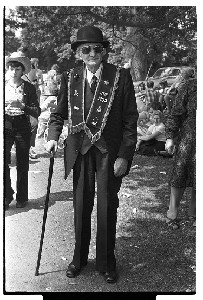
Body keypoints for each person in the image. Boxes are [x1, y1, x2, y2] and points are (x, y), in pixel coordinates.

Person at [45, 25, 138, 283]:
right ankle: (79, 259)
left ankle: (107, 263)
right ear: (79, 53)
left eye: (97, 49)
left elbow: (131, 119)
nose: (92, 53)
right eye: (86, 49)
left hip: (109, 153)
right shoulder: (71, 77)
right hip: (81, 153)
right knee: (81, 206)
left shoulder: (120, 76)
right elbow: (58, 113)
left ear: (104, 51)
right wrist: (53, 138)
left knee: (107, 207)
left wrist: (125, 155)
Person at [5, 52, 41, 210]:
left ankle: (22, 197)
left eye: (17, 68)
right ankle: (6, 195)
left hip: (22, 125)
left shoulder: (29, 88)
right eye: (11, 67)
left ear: (22, 70)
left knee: (22, 163)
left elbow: (37, 111)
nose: (13, 71)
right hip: (5, 125)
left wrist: (23, 107)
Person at [165, 71, 196, 229]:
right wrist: (170, 137)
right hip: (188, 137)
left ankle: (195, 214)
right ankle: (172, 214)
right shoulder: (190, 86)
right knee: (179, 174)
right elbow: (175, 112)